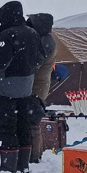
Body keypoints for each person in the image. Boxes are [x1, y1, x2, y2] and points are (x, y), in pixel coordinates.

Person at [0, 0, 42, 173]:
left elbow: (0, 63)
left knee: (7, 124)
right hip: (26, 85)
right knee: (23, 123)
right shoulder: (32, 32)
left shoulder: (7, 34)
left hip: (6, 85)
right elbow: (40, 57)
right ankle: (23, 164)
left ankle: (8, 164)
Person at [27, 13, 57, 163]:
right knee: (32, 122)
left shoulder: (46, 41)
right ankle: (33, 154)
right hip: (37, 85)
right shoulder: (45, 39)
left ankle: (34, 156)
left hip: (36, 87)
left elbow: (34, 64)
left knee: (33, 123)